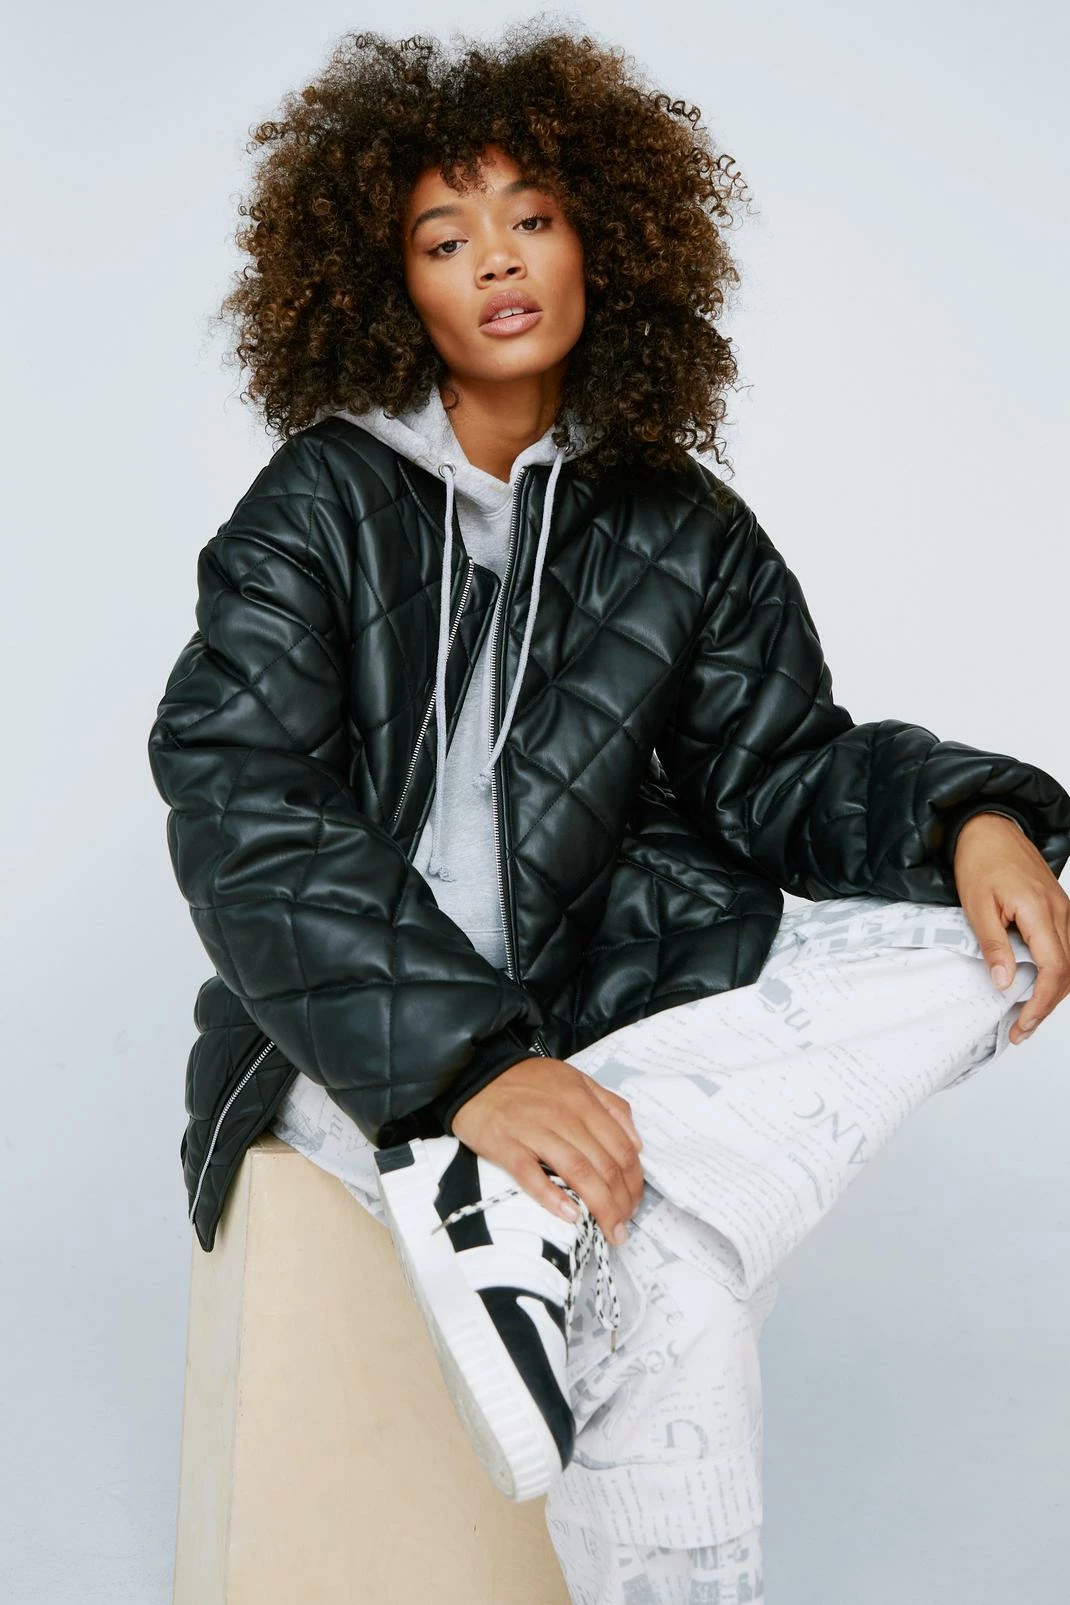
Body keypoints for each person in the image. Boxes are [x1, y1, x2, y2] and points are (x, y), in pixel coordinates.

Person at [146, 24, 1070, 1604]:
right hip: (352, 1044)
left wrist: (970, 819)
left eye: (533, 218)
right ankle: (553, 1188)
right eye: (445, 238)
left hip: (595, 1022)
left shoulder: (680, 524)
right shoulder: (318, 504)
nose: (498, 261)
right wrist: (468, 1069)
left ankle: (580, 1190)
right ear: (386, 285)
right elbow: (242, 807)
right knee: (676, 1286)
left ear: (605, 245)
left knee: (977, 945)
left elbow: (782, 770)